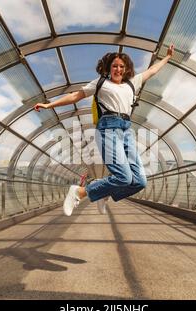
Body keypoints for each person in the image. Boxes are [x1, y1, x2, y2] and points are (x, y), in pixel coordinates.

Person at [34, 44, 175, 216]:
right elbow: (75, 96)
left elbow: (152, 70)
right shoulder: (100, 83)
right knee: (124, 177)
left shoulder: (132, 84)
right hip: (108, 128)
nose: (118, 69)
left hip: (126, 130)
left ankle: (103, 192)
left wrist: (167, 57)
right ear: (109, 67)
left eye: (122, 66)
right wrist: (49, 104)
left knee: (139, 181)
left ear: (126, 69)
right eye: (115, 65)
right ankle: (80, 192)